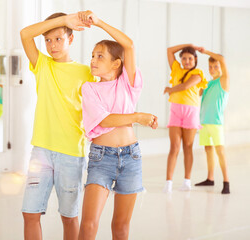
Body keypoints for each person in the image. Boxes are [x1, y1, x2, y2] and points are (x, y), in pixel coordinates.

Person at [77, 11, 157, 240]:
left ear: (116, 63)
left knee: (121, 227)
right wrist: (137, 116)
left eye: (100, 56)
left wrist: (99, 23)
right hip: (101, 158)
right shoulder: (89, 88)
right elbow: (104, 120)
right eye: (92, 55)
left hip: (131, 158)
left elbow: (128, 45)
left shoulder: (128, 84)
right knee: (89, 224)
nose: (92, 60)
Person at [20, 12, 94, 240]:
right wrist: (62, 21)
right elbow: (25, 34)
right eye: (48, 40)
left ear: (71, 39)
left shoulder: (87, 72)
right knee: (29, 213)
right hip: (41, 151)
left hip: (71, 153)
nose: (52, 45)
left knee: (69, 216)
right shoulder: (42, 64)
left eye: (58, 39)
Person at [163, 44, 207, 193]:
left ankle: (187, 181)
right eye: (184, 58)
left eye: (190, 58)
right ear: (180, 60)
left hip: (191, 113)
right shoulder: (176, 69)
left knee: (188, 146)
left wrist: (170, 89)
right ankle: (168, 182)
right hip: (175, 111)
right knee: (174, 147)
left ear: (195, 59)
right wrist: (190, 45)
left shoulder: (198, 73)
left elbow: (185, 86)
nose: (187, 61)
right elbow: (169, 50)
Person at [195, 48, 230, 194]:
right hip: (204, 122)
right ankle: (210, 178)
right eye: (210, 67)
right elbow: (199, 93)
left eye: (215, 66)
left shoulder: (224, 81)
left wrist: (206, 52)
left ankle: (226, 181)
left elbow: (222, 59)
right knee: (207, 149)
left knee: (220, 151)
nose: (212, 69)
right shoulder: (208, 83)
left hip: (216, 123)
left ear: (221, 67)